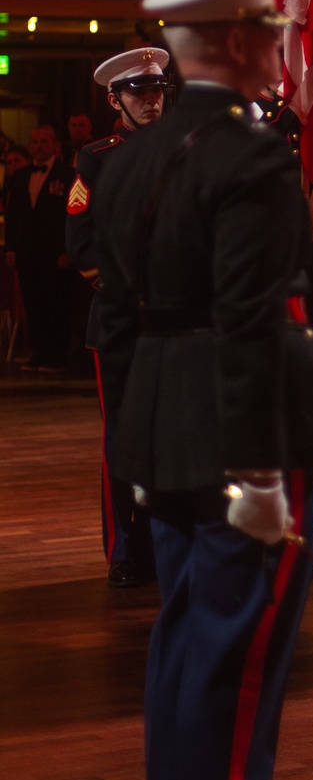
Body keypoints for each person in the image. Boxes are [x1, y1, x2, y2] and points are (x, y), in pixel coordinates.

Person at [95, 0, 313, 780]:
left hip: (163, 437)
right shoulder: (249, 155)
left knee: (183, 645)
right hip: (241, 441)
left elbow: (115, 327)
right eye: (269, 30)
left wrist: (133, 452)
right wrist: (258, 473)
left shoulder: (131, 159)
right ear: (234, 42)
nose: (281, 45)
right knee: (236, 664)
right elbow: (248, 324)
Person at [66, 47, 169, 587]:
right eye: (139, 92)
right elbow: (81, 241)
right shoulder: (98, 157)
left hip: (173, 323)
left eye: (156, 91)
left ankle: (165, 542)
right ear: (116, 99)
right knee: (124, 441)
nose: (151, 101)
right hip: (123, 322)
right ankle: (127, 549)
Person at [5, 125, 75, 372]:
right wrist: (11, 248)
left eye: (44, 141)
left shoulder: (68, 175)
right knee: (33, 305)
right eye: (35, 142)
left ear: (54, 144)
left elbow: (73, 216)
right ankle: (38, 353)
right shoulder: (21, 175)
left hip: (55, 254)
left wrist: (69, 250)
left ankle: (55, 357)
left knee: (55, 306)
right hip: (27, 252)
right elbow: (13, 216)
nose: (39, 146)